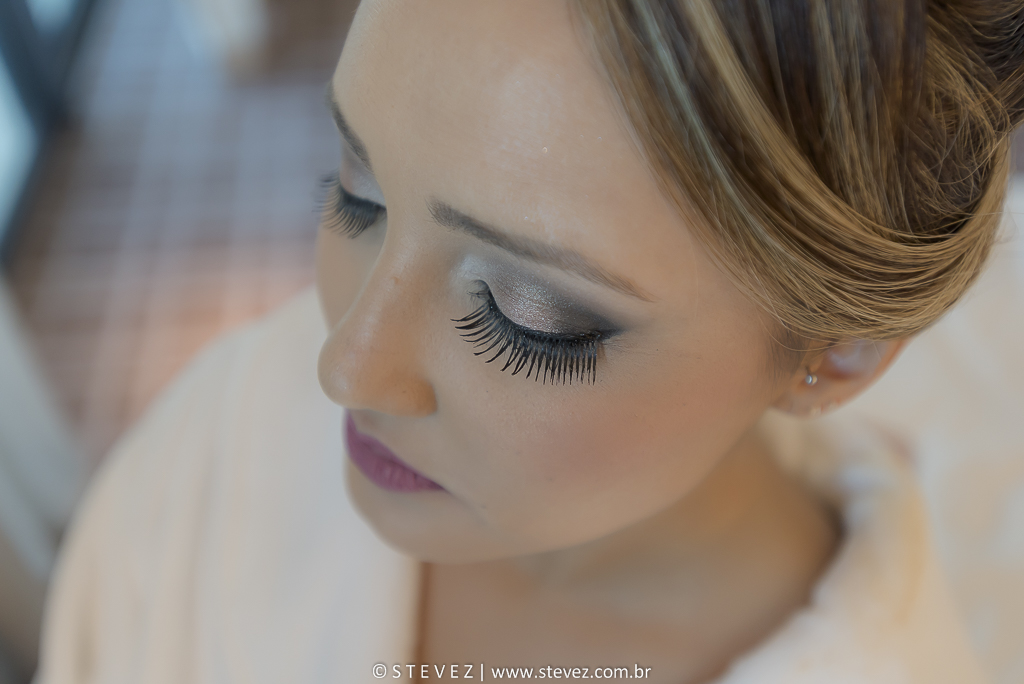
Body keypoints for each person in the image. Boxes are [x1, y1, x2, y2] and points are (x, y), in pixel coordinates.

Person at [33, 0, 1024, 682]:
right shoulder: (234, 429)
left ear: (838, 350)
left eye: (525, 314)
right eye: (359, 192)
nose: (344, 366)